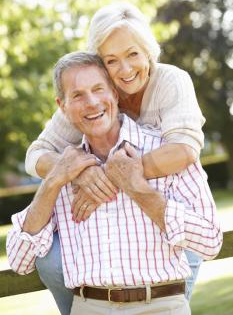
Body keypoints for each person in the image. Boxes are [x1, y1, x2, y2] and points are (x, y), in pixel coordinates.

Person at [7, 52, 222, 315]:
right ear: (62, 107)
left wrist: (139, 189)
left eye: (99, 89)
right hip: (88, 307)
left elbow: (211, 241)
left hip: (162, 306)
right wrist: (53, 181)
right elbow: (19, 260)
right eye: (77, 95)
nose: (92, 102)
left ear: (115, 94)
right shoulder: (64, 168)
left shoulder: (168, 152)